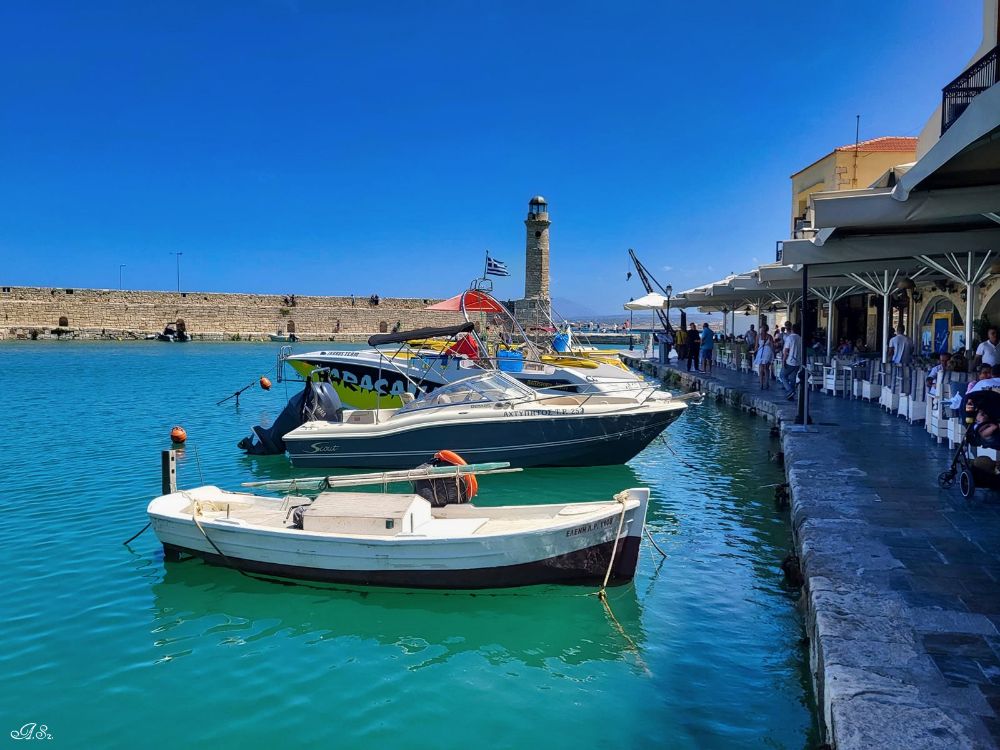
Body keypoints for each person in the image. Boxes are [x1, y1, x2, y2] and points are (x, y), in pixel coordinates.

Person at [780, 323, 803, 400]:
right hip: (798, 361)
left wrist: (783, 361)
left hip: (790, 361)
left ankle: (790, 390)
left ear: (792, 329)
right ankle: (791, 396)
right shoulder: (800, 338)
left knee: (782, 375)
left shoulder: (790, 338)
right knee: (792, 378)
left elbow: (786, 351)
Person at [753, 323, 774, 389]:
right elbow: (772, 346)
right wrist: (774, 354)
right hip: (768, 352)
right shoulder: (769, 336)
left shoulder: (758, 336)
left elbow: (756, 346)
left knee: (761, 368)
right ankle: (766, 383)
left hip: (761, 352)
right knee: (766, 368)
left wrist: (755, 352)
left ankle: (761, 384)